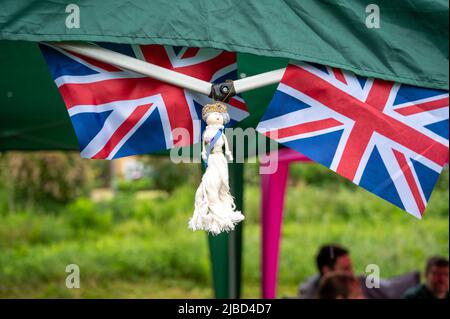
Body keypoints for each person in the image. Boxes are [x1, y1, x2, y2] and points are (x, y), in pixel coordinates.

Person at [298, 244, 420, 299]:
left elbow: (391, 287)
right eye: (345, 269)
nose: (351, 273)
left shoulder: (359, 282)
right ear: (327, 270)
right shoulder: (308, 291)